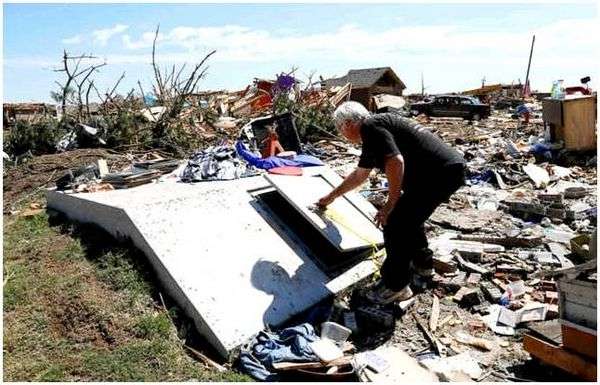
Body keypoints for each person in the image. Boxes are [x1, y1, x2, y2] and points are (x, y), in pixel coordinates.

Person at [317, 101, 466, 304]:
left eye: (339, 127)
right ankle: (422, 267)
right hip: (445, 170)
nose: (341, 133)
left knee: (395, 223)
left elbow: (395, 161)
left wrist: (390, 203)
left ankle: (395, 287)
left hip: (437, 174)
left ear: (349, 123)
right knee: (410, 220)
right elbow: (360, 175)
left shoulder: (371, 127)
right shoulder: (375, 129)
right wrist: (331, 197)